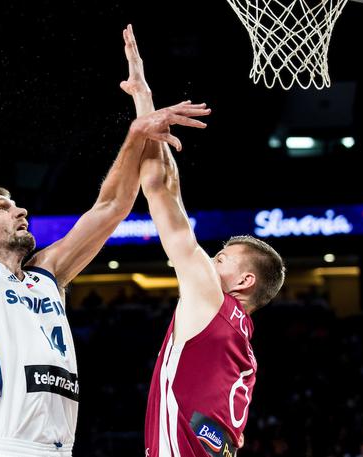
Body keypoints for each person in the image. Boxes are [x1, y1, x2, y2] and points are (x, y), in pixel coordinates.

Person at [0, 13, 210, 457]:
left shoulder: (48, 275)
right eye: (2, 206)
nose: (21, 210)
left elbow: (112, 206)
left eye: (15, 203)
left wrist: (137, 125)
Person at [120, 25, 286, 457]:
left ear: (245, 280)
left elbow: (159, 192)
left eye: (222, 257)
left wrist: (144, 103)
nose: (210, 261)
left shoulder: (212, 301)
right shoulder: (241, 340)